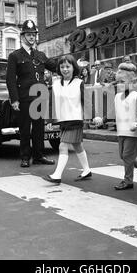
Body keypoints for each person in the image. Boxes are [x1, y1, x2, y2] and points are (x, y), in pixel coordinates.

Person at [6, 19, 56, 168]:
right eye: (28, 34)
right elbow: (10, 79)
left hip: (39, 97)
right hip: (24, 97)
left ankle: (39, 156)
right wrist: (14, 99)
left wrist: (71, 67)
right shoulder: (15, 56)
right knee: (25, 129)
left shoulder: (40, 55)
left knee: (39, 129)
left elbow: (54, 66)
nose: (32, 37)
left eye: (33, 34)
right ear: (22, 36)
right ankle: (25, 157)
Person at [42, 55, 92, 184]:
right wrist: (49, 121)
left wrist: (92, 116)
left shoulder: (79, 83)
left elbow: (86, 101)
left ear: (73, 67)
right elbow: (52, 103)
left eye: (68, 66)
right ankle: (86, 170)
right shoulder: (56, 83)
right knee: (77, 145)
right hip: (62, 119)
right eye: (62, 66)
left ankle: (57, 175)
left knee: (62, 145)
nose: (65, 69)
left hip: (75, 119)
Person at [113, 62, 137, 190]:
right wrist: (103, 119)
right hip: (121, 131)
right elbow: (113, 112)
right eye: (118, 82)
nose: (119, 84)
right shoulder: (117, 96)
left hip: (133, 132)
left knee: (127, 156)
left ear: (131, 80)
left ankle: (128, 181)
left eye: (122, 81)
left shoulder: (136, 96)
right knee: (123, 156)